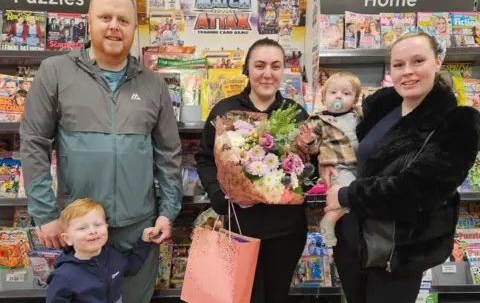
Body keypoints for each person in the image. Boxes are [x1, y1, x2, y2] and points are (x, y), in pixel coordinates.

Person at [19, 0, 183, 302]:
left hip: (138, 232)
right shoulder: (55, 73)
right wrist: (45, 214)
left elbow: (169, 155)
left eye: (123, 20)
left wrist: (167, 213)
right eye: (105, 17)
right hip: (81, 232)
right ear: (89, 23)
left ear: (134, 28)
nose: (113, 26)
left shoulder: (154, 84)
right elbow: (34, 142)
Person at [322, 32, 480, 303]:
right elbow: (356, 156)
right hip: (352, 241)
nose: (407, 72)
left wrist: (346, 195)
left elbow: (418, 191)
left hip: (397, 251)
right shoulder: (381, 108)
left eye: (418, 61)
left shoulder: (458, 123)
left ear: (437, 61)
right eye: (398, 64)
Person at [195, 38, 309, 303]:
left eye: (275, 66)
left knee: (277, 296)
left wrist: (299, 179)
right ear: (247, 69)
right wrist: (218, 196)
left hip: (287, 231)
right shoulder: (224, 110)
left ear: (283, 71)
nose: (267, 73)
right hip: (239, 228)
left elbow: (309, 167)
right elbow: (204, 158)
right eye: (259, 65)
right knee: (242, 297)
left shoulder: (296, 113)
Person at [298, 72, 362, 247]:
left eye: (346, 93)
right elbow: (313, 150)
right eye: (333, 92)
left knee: (360, 196)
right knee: (347, 196)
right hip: (338, 167)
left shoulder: (357, 116)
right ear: (323, 98)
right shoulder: (319, 121)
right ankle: (328, 221)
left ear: (355, 100)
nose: (339, 96)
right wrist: (308, 140)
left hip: (360, 167)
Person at [46, 199, 154, 303]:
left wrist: (144, 242)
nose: (93, 231)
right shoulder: (63, 276)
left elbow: (131, 267)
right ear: (67, 239)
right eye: (82, 228)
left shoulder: (113, 256)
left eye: (97, 225)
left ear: (106, 227)